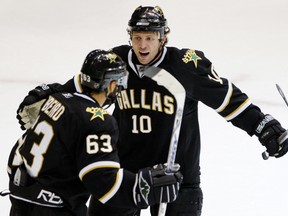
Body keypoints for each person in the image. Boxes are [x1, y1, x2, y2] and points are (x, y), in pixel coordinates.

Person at [16, 5, 288, 216]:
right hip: (122, 175)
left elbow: (229, 100)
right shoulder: (116, 61)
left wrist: (263, 126)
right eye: (137, 37)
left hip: (178, 177)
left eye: (149, 37)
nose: (143, 45)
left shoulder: (186, 66)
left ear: (163, 37)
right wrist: (49, 96)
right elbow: (81, 90)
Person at [6, 49, 183, 216]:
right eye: (120, 82)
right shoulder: (98, 121)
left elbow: (19, 150)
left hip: (20, 199)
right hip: (54, 209)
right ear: (111, 85)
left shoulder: (56, 100)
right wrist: (142, 187)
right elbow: (103, 182)